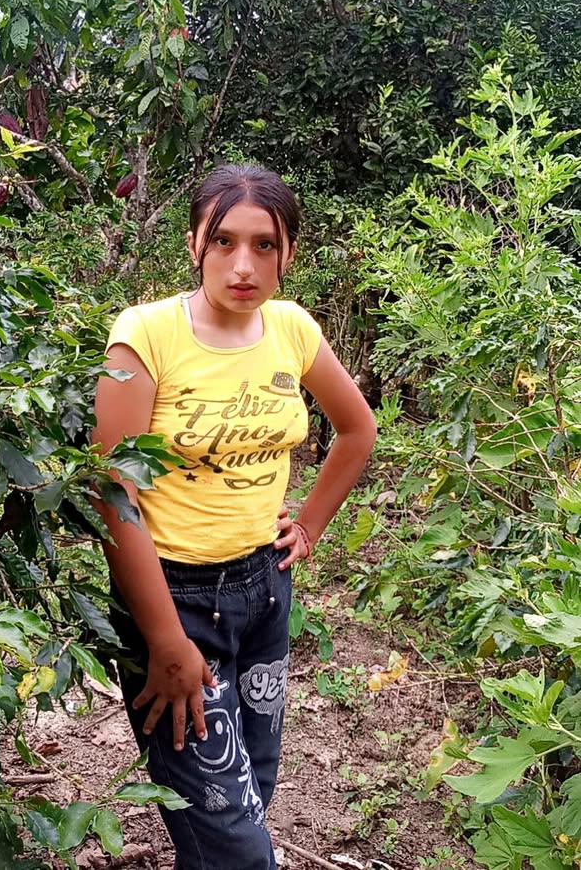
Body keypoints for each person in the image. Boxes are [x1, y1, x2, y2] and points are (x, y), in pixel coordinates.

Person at [92, 164, 377, 870]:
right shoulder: (147, 334)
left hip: (264, 590)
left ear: (288, 253)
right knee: (234, 837)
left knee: (251, 791)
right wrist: (164, 639)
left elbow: (357, 429)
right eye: (223, 240)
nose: (243, 265)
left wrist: (308, 525)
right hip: (173, 598)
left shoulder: (292, 329)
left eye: (264, 244)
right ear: (195, 243)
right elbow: (113, 494)